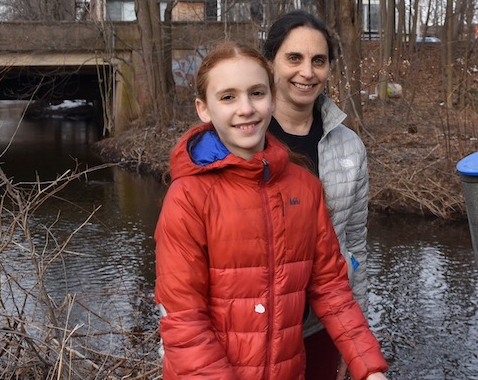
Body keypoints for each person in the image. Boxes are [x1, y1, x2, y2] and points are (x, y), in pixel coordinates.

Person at [154, 41, 388, 380]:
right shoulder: (188, 197)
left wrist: (368, 366)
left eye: (257, 93)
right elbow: (183, 320)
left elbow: (331, 289)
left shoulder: (304, 188)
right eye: (228, 97)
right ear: (204, 109)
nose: (246, 108)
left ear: (273, 99)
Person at [262, 10, 370, 380]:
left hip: (325, 325)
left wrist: (355, 341)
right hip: (258, 330)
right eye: (294, 58)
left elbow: (355, 247)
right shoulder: (244, 140)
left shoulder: (349, 146)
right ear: (270, 63)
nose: (307, 72)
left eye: (318, 61)